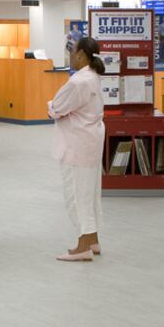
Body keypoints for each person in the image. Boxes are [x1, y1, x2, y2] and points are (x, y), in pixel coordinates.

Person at [48, 36, 106, 262]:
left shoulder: (78, 82)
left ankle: (83, 247)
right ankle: (93, 240)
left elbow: (57, 107)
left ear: (81, 54)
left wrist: (51, 108)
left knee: (77, 195)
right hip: (90, 142)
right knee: (90, 193)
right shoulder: (93, 77)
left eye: (72, 52)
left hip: (76, 146)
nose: (70, 56)